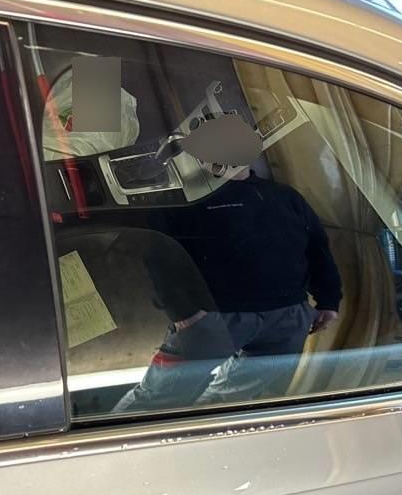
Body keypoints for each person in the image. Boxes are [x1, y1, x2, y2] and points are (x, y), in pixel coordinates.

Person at [114, 165, 342, 412]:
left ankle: (202, 433)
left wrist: (328, 300)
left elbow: (317, 247)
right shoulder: (180, 200)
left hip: (287, 317)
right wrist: (185, 313)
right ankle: (119, 435)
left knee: (234, 402)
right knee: (156, 399)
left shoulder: (285, 196)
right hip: (214, 316)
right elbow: (158, 255)